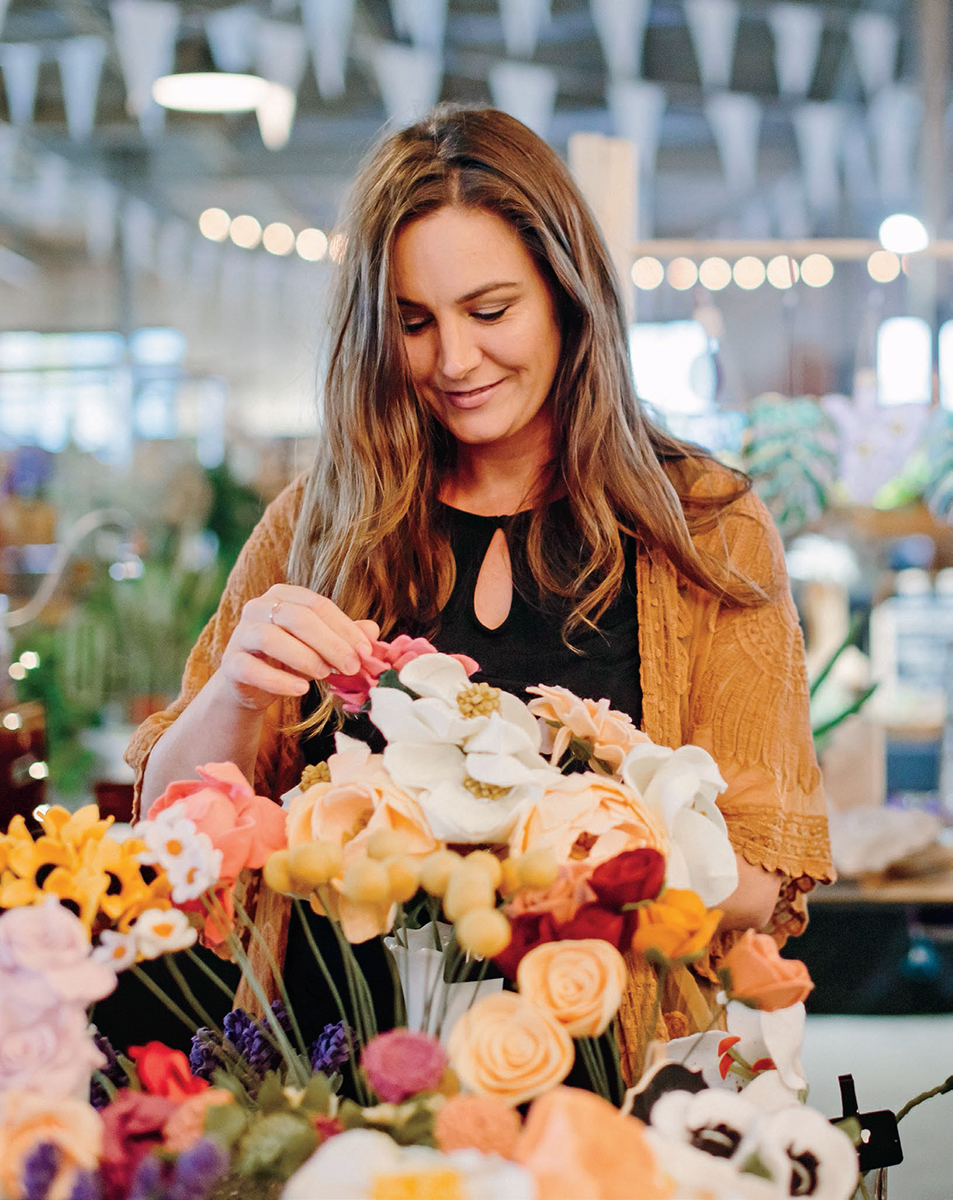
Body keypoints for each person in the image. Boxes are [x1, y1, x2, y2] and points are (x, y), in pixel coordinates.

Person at [127, 104, 833, 1079]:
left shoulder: (703, 528)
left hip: (608, 1105)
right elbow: (165, 834)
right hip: (346, 1102)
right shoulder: (317, 523)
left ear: (566, 295)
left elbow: (757, 881)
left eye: (489, 311)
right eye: (413, 323)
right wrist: (233, 697)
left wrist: (560, 836)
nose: (453, 361)